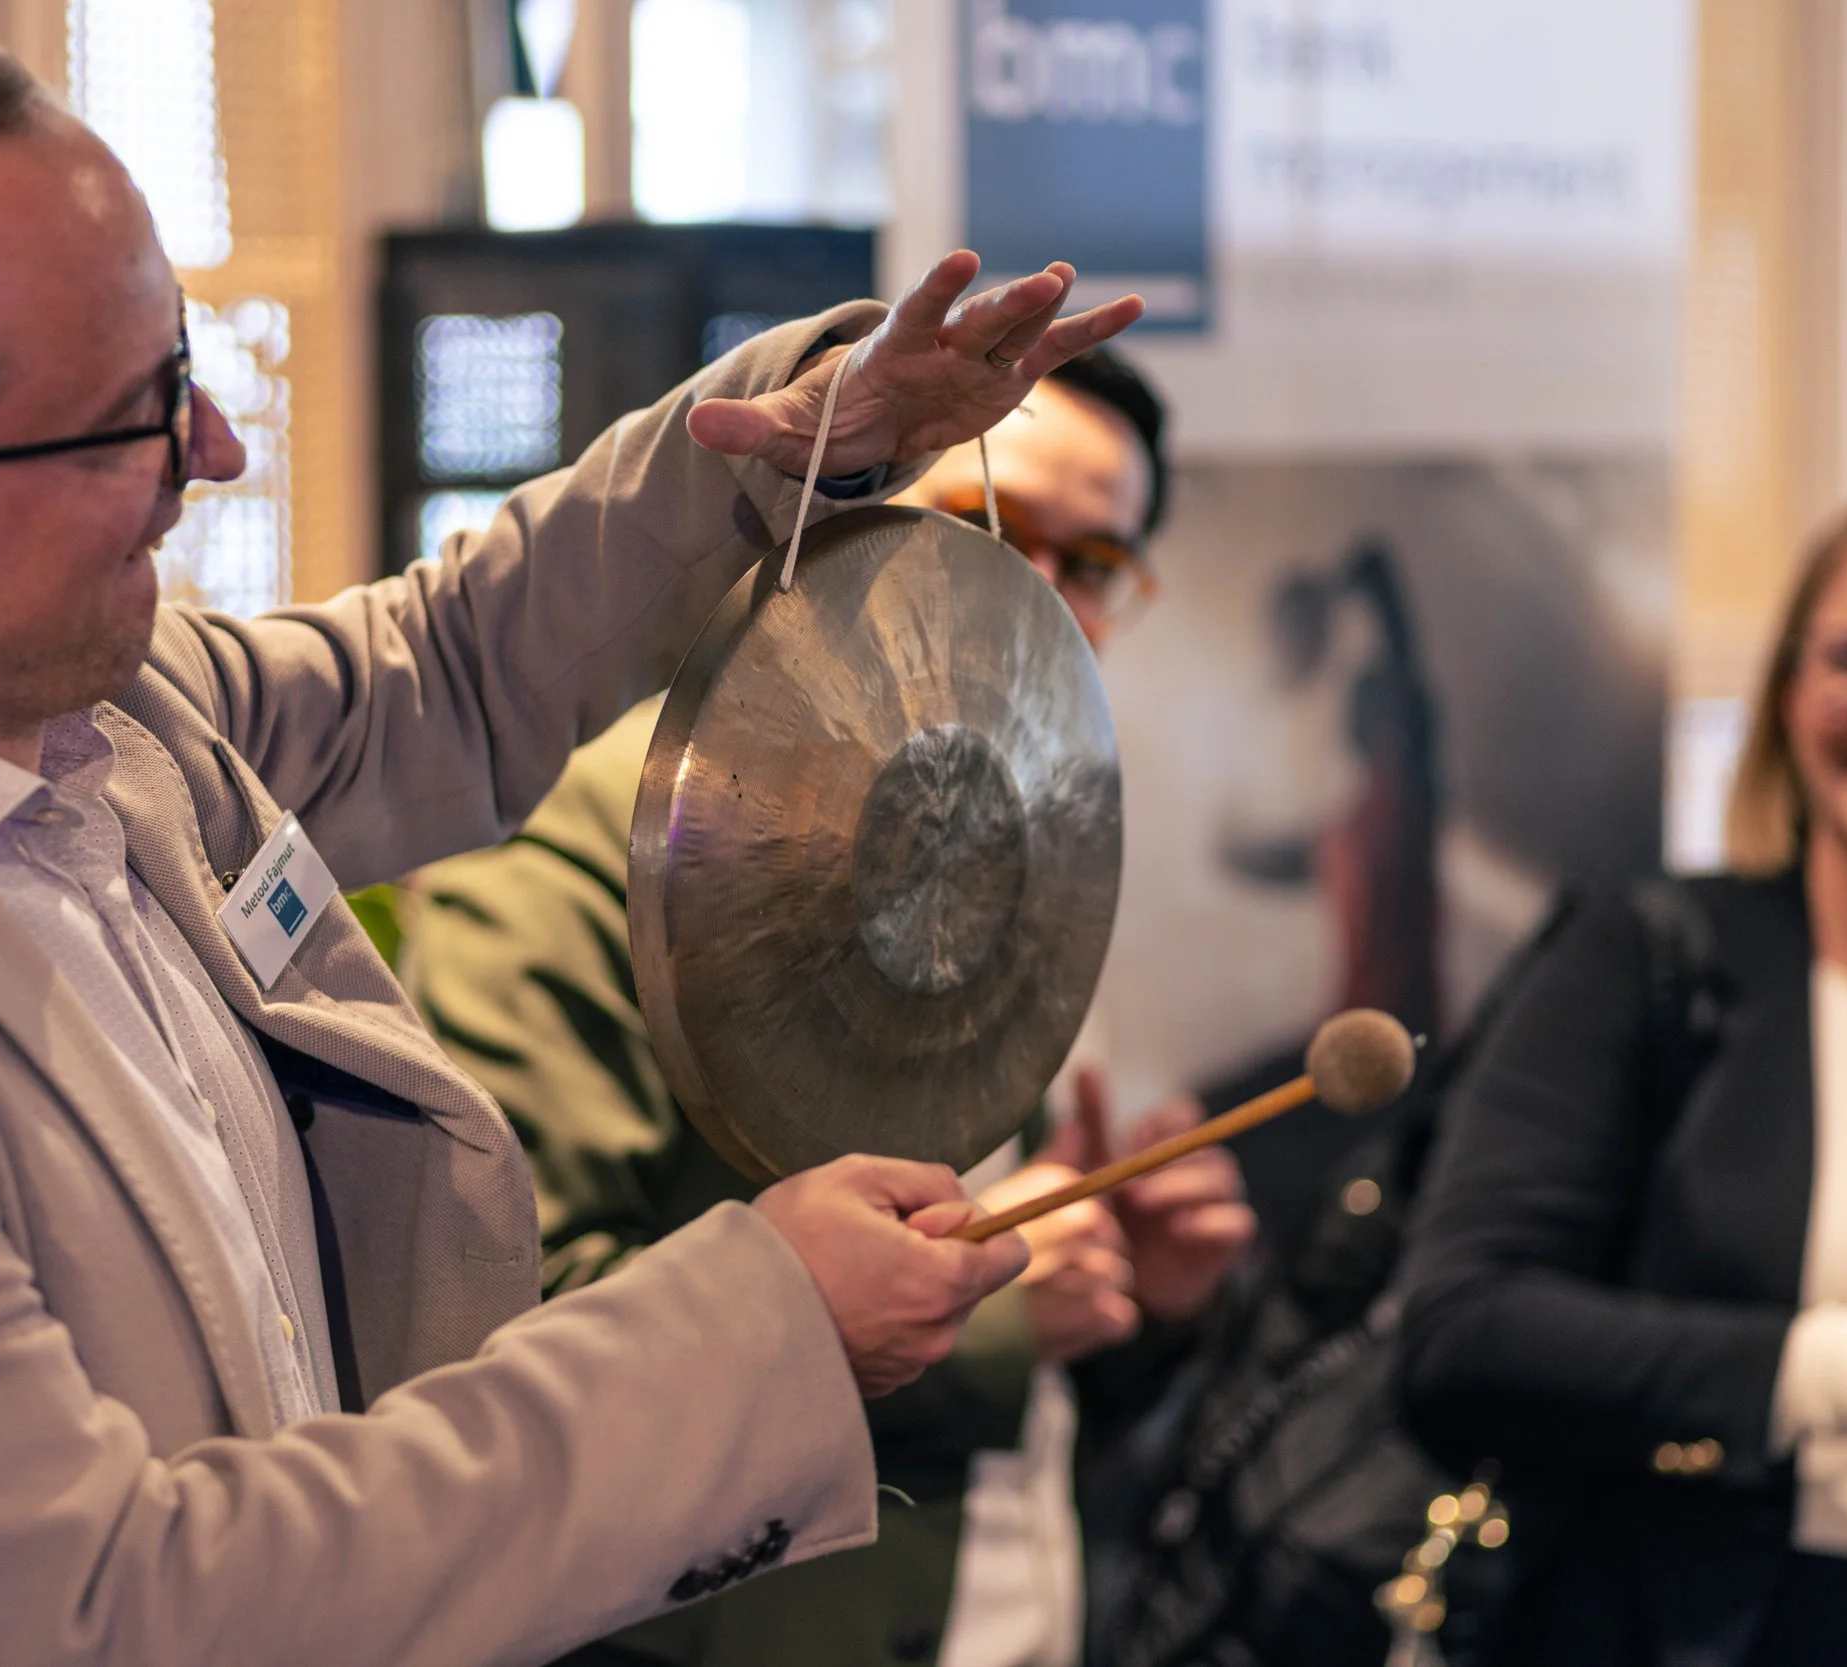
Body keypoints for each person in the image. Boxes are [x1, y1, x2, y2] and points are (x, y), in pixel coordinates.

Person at [0, 27, 1148, 1667]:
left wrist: (812, 438)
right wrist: (752, 1337)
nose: (212, 453)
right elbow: (111, 1612)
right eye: (133, 415)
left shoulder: (85, 706)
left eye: (185, 367)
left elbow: (447, 670)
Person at [396, 347, 1255, 1667]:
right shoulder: (602, 839)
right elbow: (497, 1327)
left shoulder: (1028, 827)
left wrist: (1114, 1283)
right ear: (842, 508)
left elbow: (1012, 1337)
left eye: (1091, 565)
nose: (1034, 591)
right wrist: (975, 1329)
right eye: (985, 521)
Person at [1396, 482, 1847, 1666]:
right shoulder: (1642, 958)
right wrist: (1833, 1371)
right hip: (1709, 1627)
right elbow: (1462, 1329)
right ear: (1786, 704)